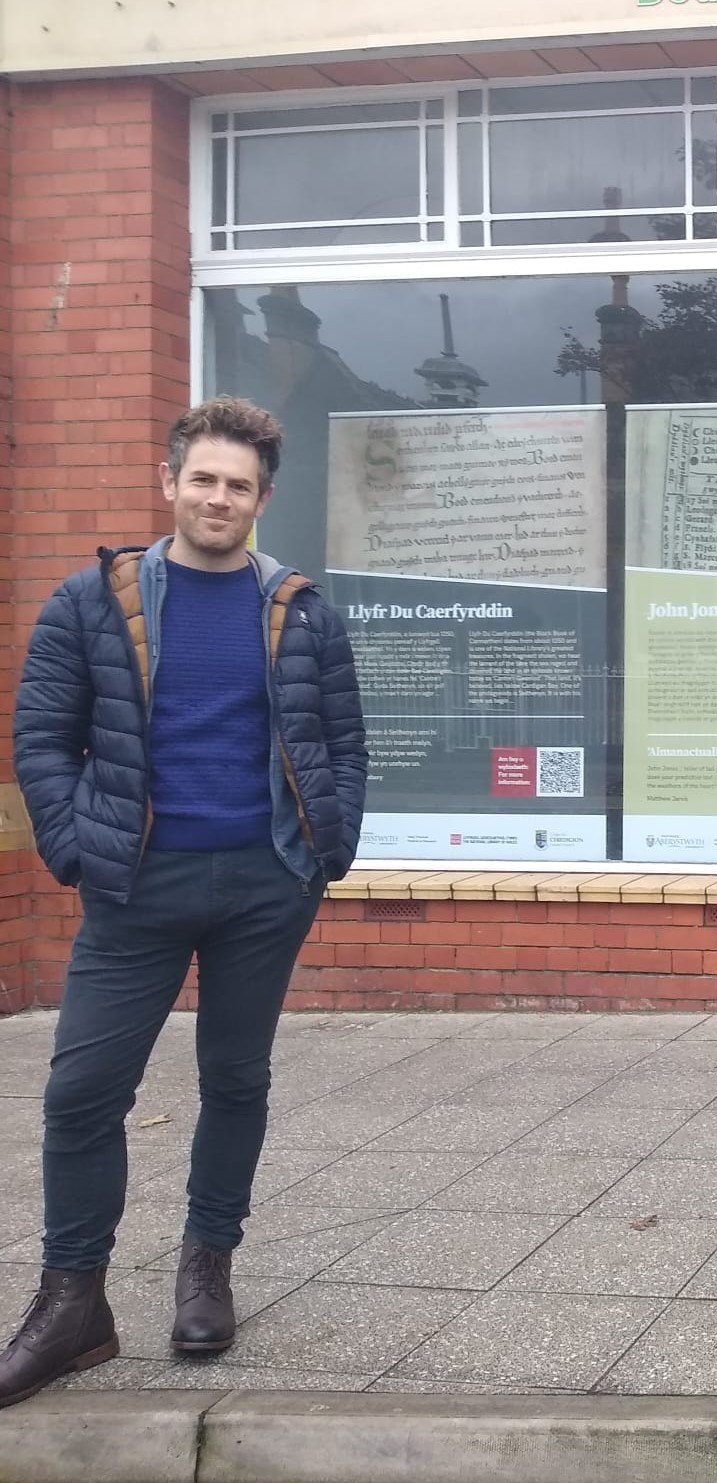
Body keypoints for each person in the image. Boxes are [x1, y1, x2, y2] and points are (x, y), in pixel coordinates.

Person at [2, 397, 366, 1406]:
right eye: (202, 478)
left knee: (235, 1079)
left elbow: (340, 737)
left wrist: (323, 854)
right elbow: (42, 735)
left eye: (238, 485)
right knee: (81, 1092)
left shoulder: (299, 606)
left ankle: (207, 1266)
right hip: (135, 884)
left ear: (262, 498)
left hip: (265, 882)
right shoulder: (93, 600)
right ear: (169, 484)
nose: (218, 496)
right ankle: (73, 1302)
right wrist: (76, 848)